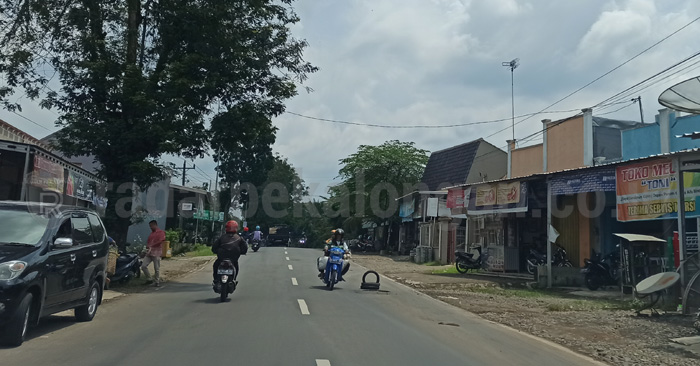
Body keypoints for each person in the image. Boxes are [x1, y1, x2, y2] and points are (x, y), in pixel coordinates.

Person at [212, 220, 248, 285]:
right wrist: (243, 252)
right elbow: (244, 247)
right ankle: (234, 279)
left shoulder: (222, 237)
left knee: (216, 265)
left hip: (221, 258)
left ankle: (216, 279)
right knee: (236, 266)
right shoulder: (239, 238)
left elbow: (214, 247)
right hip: (233, 259)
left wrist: (215, 251)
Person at [142, 220, 165, 287]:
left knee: (156, 268)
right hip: (149, 252)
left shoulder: (161, 232)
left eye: (151, 226)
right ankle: (149, 279)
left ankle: (157, 281)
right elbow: (148, 243)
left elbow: (161, 240)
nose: (150, 227)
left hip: (157, 252)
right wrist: (147, 247)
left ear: (155, 225)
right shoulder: (151, 234)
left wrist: (152, 245)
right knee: (143, 266)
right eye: (150, 226)